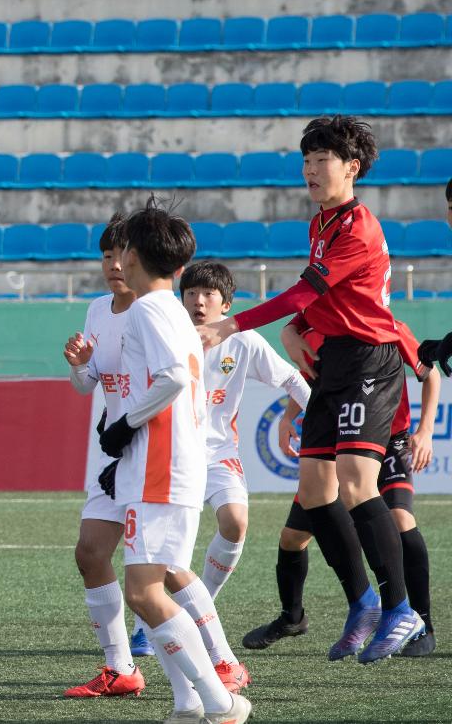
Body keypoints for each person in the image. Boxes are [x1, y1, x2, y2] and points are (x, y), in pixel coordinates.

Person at [198, 116, 426, 663]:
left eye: (322, 160)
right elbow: (315, 303)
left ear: (351, 167)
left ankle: (402, 609)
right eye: (306, 161)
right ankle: (364, 603)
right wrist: (296, 330)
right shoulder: (322, 223)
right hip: (334, 362)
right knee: (315, 488)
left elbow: (306, 292)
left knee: (354, 481)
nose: (310, 170)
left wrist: (234, 323)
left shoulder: (358, 227)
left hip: (370, 360)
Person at [100, 203, 251, 724]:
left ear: (132, 254)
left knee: (143, 592)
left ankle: (220, 700)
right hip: (166, 461)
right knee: (156, 585)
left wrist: (122, 429)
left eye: (121, 250)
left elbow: (171, 379)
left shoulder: (148, 309)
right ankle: (189, 703)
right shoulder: (171, 312)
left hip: (162, 466)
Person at [244, 323, 441, 658]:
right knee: (293, 536)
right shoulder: (320, 328)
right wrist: (288, 416)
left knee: (399, 517)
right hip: (335, 443)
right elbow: (310, 378)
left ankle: (420, 622)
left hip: (389, 441)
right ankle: (293, 617)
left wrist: (425, 431)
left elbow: (430, 374)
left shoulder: (386, 326)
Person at [60, 213, 151, 700]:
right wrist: (78, 366)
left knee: (161, 571)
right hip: (115, 456)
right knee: (91, 553)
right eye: (106, 256)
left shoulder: (158, 312)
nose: (114, 265)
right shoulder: (98, 310)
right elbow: (87, 384)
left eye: (123, 256)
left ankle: (222, 662)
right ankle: (120, 667)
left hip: (154, 454)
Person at [180, 260, 311, 598]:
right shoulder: (167, 336)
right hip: (171, 454)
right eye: (190, 293)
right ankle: (144, 628)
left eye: (208, 294)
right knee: (173, 538)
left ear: (226, 305)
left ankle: (202, 607)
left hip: (218, 453)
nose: (198, 301)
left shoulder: (243, 341)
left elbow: (292, 378)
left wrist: (319, 421)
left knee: (236, 523)